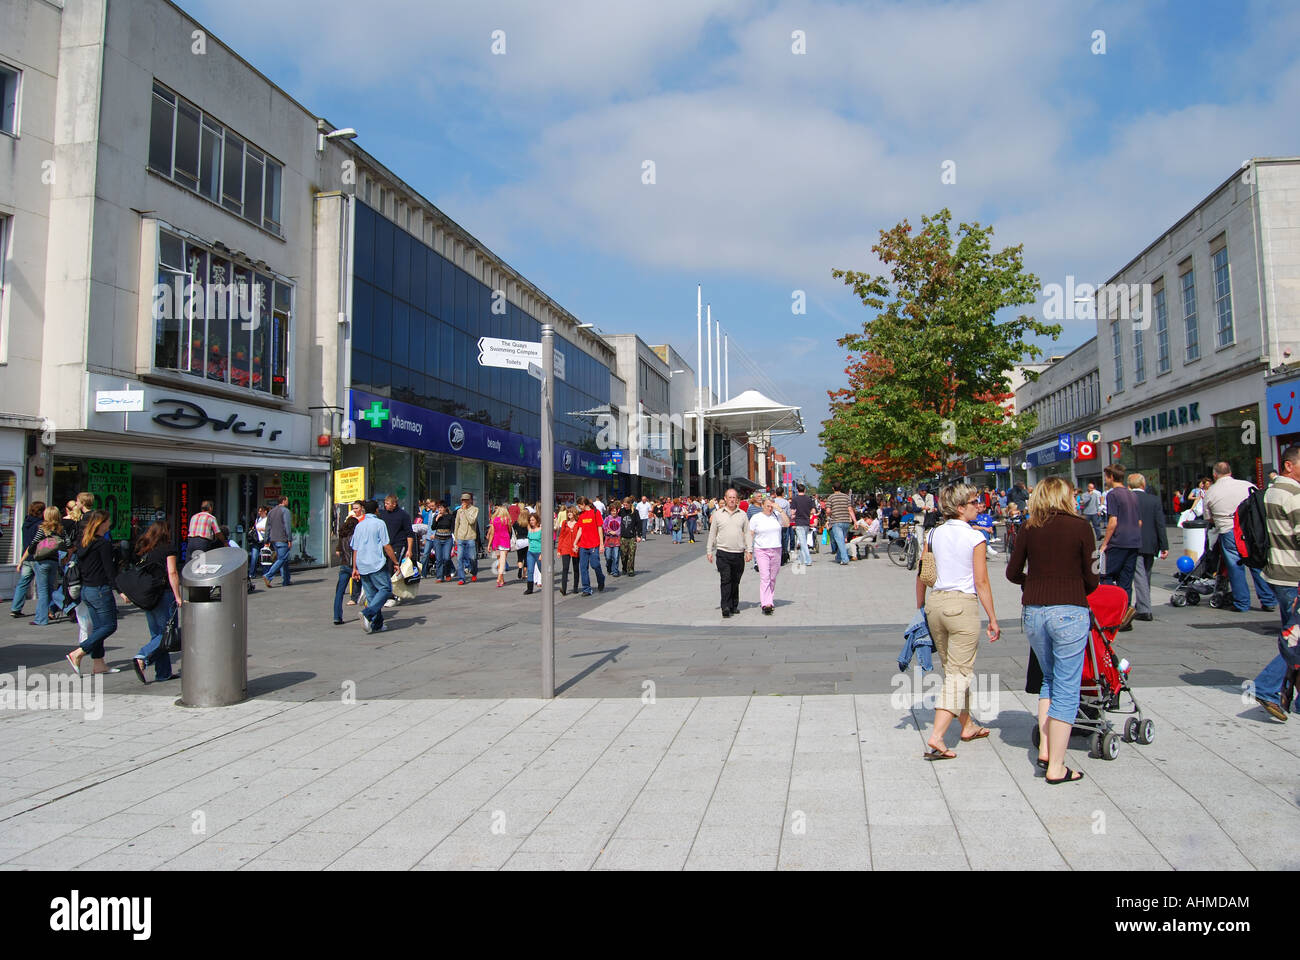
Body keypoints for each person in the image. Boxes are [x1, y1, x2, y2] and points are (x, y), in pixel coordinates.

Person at [1006, 477, 1099, 784]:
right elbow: (1092, 577)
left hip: (1034, 612)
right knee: (1067, 689)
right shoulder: (1081, 527)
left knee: (1048, 678)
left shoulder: (1029, 527)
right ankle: (1057, 766)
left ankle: (1046, 748)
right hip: (1069, 611)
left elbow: (1012, 572)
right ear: (1066, 497)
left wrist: (1034, 582)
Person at [914, 484, 1001, 760]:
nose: (980, 505)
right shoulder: (975, 538)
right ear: (961, 507)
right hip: (962, 606)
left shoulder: (934, 533)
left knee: (952, 668)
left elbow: (922, 572)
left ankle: (967, 726)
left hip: (936, 604)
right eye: (975, 502)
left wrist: (920, 606)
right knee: (959, 673)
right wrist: (993, 618)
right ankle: (937, 737)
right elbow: (981, 581)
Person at [1251, 444, 1300, 722]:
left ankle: (1287, 694)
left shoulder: (1269, 492)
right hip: (1293, 574)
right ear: (1289, 465)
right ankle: (1268, 687)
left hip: (1277, 573)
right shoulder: (1294, 494)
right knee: (1295, 641)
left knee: (1291, 634)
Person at [1203, 461, 1277, 613]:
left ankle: (1242, 603)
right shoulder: (1246, 485)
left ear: (1215, 475)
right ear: (1230, 472)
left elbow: (1208, 517)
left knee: (1235, 567)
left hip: (1228, 529)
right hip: (1249, 530)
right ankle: (1268, 600)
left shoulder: (1211, 491)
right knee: (1256, 562)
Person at [65, 511, 122, 675]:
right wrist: (120, 590)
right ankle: (78, 653)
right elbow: (109, 570)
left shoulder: (84, 542)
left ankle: (99, 664)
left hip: (87, 590)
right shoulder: (102, 544)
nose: (110, 524)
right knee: (109, 625)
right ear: (101, 523)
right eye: (108, 521)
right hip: (99, 589)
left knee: (98, 628)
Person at [127, 520, 183, 682]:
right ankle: (143, 656)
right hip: (163, 594)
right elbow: (172, 572)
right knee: (167, 633)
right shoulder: (167, 549)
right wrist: (178, 596)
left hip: (148, 596)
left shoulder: (145, 550)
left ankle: (163, 673)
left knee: (157, 634)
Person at [351, 500, 399, 634]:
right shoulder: (379, 523)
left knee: (372, 595)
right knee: (385, 588)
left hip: (362, 563)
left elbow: (355, 548)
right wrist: (395, 562)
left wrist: (354, 567)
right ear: (377, 510)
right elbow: (386, 545)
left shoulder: (359, 525)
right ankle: (367, 613)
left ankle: (377, 624)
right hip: (376, 562)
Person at [1126, 472, 1168, 623]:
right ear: (1143, 485)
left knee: (1139, 576)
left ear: (1129, 486)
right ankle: (1143, 604)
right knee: (1146, 574)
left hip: (1134, 542)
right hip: (1151, 543)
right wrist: (1164, 545)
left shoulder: (1128, 499)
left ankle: (1144, 609)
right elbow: (1160, 523)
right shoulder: (1154, 500)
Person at [1098, 465, 1141, 609]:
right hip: (1133, 542)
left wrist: (1105, 543)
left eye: (1106, 476)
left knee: (1106, 575)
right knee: (1126, 580)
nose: (1105, 479)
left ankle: (1110, 609)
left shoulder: (1113, 494)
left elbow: (1113, 521)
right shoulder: (1132, 494)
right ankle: (1124, 612)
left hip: (1118, 541)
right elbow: (1139, 521)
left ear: (1111, 477)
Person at [706, 488, 753, 618]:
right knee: (725, 579)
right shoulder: (718, 514)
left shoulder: (742, 514)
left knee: (735, 580)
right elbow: (712, 533)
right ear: (725, 499)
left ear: (737, 499)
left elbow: (748, 533)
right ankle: (725, 606)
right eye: (729, 497)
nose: (732, 500)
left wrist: (749, 550)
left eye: (734, 498)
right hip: (723, 552)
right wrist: (709, 550)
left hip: (738, 553)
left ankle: (734, 605)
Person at [14, 506, 62, 625]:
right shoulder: (60, 529)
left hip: (41, 562)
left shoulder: (43, 529)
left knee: (43, 590)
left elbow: (32, 545)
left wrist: (22, 560)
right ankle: (54, 610)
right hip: (54, 562)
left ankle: (41, 619)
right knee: (51, 589)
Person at [9, 501, 47, 619]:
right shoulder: (40, 525)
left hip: (26, 556)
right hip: (37, 557)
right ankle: (43, 611)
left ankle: (15, 608)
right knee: (42, 586)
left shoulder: (26, 523)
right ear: (41, 512)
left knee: (23, 583)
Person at [749, 495, 784, 615]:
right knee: (765, 577)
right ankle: (766, 603)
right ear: (762, 505)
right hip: (761, 549)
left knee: (773, 577)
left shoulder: (776, 515)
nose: (770, 508)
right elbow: (751, 533)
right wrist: (748, 549)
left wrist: (780, 510)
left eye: (771, 506)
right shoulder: (756, 518)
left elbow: (787, 524)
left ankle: (770, 598)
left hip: (776, 548)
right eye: (767, 506)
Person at [333, 501, 363, 625]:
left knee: (339, 592)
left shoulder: (343, 536)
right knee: (367, 589)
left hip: (344, 565)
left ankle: (337, 616)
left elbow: (339, 552)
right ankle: (369, 612)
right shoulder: (356, 536)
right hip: (356, 566)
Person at [575, 497, 606, 596]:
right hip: (583, 545)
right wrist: (575, 542)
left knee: (595, 564)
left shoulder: (595, 513)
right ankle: (586, 588)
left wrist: (601, 544)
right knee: (583, 567)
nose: (579, 508)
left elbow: (600, 528)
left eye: (579, 506)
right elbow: (580, 529)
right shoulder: (581, 515)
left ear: (584, 504)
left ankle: (601, 578)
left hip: (594, 544)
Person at [825, 482, 855, 565]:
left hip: (836, 522)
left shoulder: (831, 497)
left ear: (833, 488)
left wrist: (829, 515)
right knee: (841, 540)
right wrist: (855, 521)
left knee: (840, 541)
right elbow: (850, 509)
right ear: (841, 488)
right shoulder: (846, 497)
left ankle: (845, 559)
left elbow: (828, 511)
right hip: (846, 522)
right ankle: (838, 557)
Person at [454, 492, 479, 584]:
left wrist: (465, 511)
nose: (463, 502)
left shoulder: (475, 509)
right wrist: (455, 537)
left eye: (465, 500)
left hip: (470, 536)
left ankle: (474, 572)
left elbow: (472, 521)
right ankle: (461, 578)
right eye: (462, 500)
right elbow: (457, 524)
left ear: (470, 501)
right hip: (460, 536)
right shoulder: (459, 511)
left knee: (472, 557)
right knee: (459, 558)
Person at [790, 482, 815, 571]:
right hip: (806, 521)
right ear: (805, 490)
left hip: (799, 522)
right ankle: (800, 559)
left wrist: (794, 515)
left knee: (803, 542)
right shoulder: (809, 499)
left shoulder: (795, 499)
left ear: (797, 490)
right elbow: (813, 511)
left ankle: (808, 560)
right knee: (802, 540)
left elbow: (792, 512)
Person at [428, 501, 455, 581]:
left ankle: (447, 573)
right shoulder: (436, 516)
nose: (440, 509)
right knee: (439, 559)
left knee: (446, 558)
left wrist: (455, 538)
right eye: (439, 508)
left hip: (447, 539)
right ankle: (439, 576)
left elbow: (453, 528)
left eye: (441, 508)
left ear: (445, 508)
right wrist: (436, 519)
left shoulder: (450, 517)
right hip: (438, 539)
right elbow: (433, 527)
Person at [557, 507, 581, 595]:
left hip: (575, 548)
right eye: (568, 512)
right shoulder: (564, 523)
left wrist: (578, 546)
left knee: (576, 568)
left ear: (575, 513)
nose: (569, 514)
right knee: (565, 568)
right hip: (565, 547)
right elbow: (561, 537)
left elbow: (580, 536)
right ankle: (564, 588)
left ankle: (575, 587)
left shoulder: (578, 524)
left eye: (571, 512)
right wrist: (559, 550)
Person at [489, 505, 513, 588]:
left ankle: (501, 580)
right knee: (503, 560)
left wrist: (489, 544)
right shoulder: (507, 520)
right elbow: (510, 530)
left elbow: (492, 532)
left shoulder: (493, 520)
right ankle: (499, 577)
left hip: (496, 541)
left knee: (500, 560)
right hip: (505, 540)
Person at [619, 498, 640, 576]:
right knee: (623, 554)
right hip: (623, 536)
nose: (625, 506)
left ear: (630, 504)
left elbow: (638, 524)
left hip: (632, 536)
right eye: (624, 505)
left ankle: (631, 570)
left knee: (631, 553)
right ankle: (624, 567)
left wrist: (639, 535)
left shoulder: (635, 512)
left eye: (626, 505)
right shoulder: (621, 511)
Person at [524, 513, 543, 596]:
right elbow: (529, 541)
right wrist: (528, 551)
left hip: (539, 552)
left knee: (541, 569)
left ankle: (547, 584)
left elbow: (544, 542)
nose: (531, 522)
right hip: (530, 552)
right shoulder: (529, 529)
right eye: (530, 520)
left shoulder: (541, 529)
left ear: (536, 520)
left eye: (533, 520)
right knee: (530, 570)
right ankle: (529, 588)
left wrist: (542, 553)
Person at [602, 508, 622, 577]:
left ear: (617, 511)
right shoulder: (607, 518)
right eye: (612, 511)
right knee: (608, 557)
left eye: (615, 511)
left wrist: (616, 532)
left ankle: (615, 571)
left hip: (617, 539)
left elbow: (622, 528)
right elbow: (604, 527)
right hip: (608, 540)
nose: (613, 512)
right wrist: (610, 532)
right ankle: (609, 568)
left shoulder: (620, 518)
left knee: (616, 556)